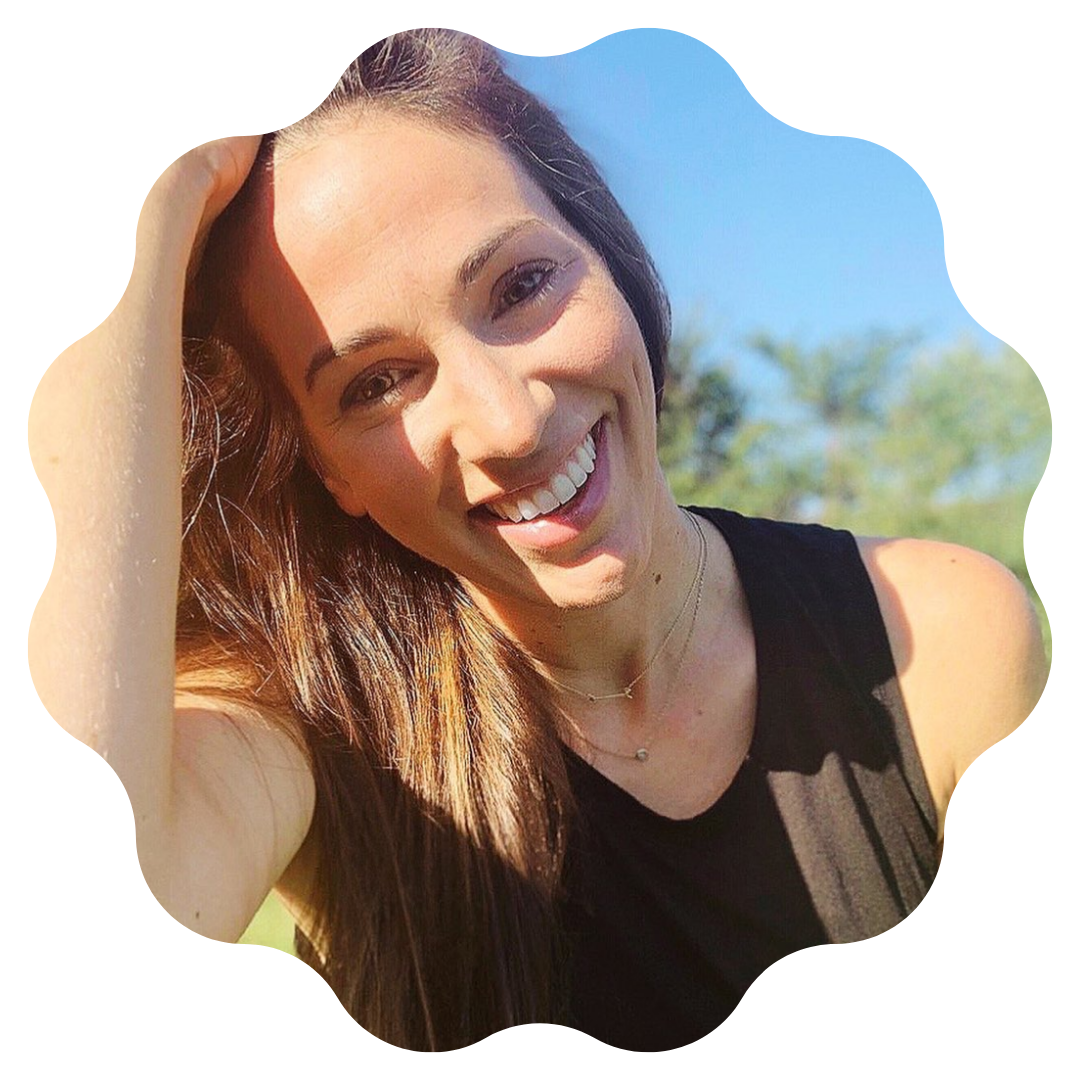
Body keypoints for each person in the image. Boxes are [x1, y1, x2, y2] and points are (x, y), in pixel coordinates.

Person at [28, 28, 1047, 1052]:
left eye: (520, 287)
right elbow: (78, 941)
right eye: (376, 383)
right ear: (327, 468)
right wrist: (160, 181)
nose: (509, 423)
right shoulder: (312, 730)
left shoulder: (942, 639)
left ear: (607, 253)